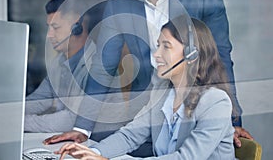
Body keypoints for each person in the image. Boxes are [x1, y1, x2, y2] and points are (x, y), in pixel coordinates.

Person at [44, 0, 252, 151]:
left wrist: (232, 121)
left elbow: (221, 57)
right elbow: (103, 67)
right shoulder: (119, 0)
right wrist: (82, 128)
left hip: (195, 111)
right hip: (146, 116)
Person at [56, 16, 237, 160]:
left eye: (166, 47)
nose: (157, 54)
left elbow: (186, 157)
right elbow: (130, 136)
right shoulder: (163, 96)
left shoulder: (216, 102)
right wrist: (91, 153)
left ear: (192, 55)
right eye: (158, 45)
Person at [25, 0, 107, 133]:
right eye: (49, 28)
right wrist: (8, 113)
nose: (49, 35)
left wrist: (17, 123)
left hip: (95, 142)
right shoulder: (59, 62)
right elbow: (39, 100)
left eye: (55, 28)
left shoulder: (96, 65)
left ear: (77, 27)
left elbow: (70, 121)